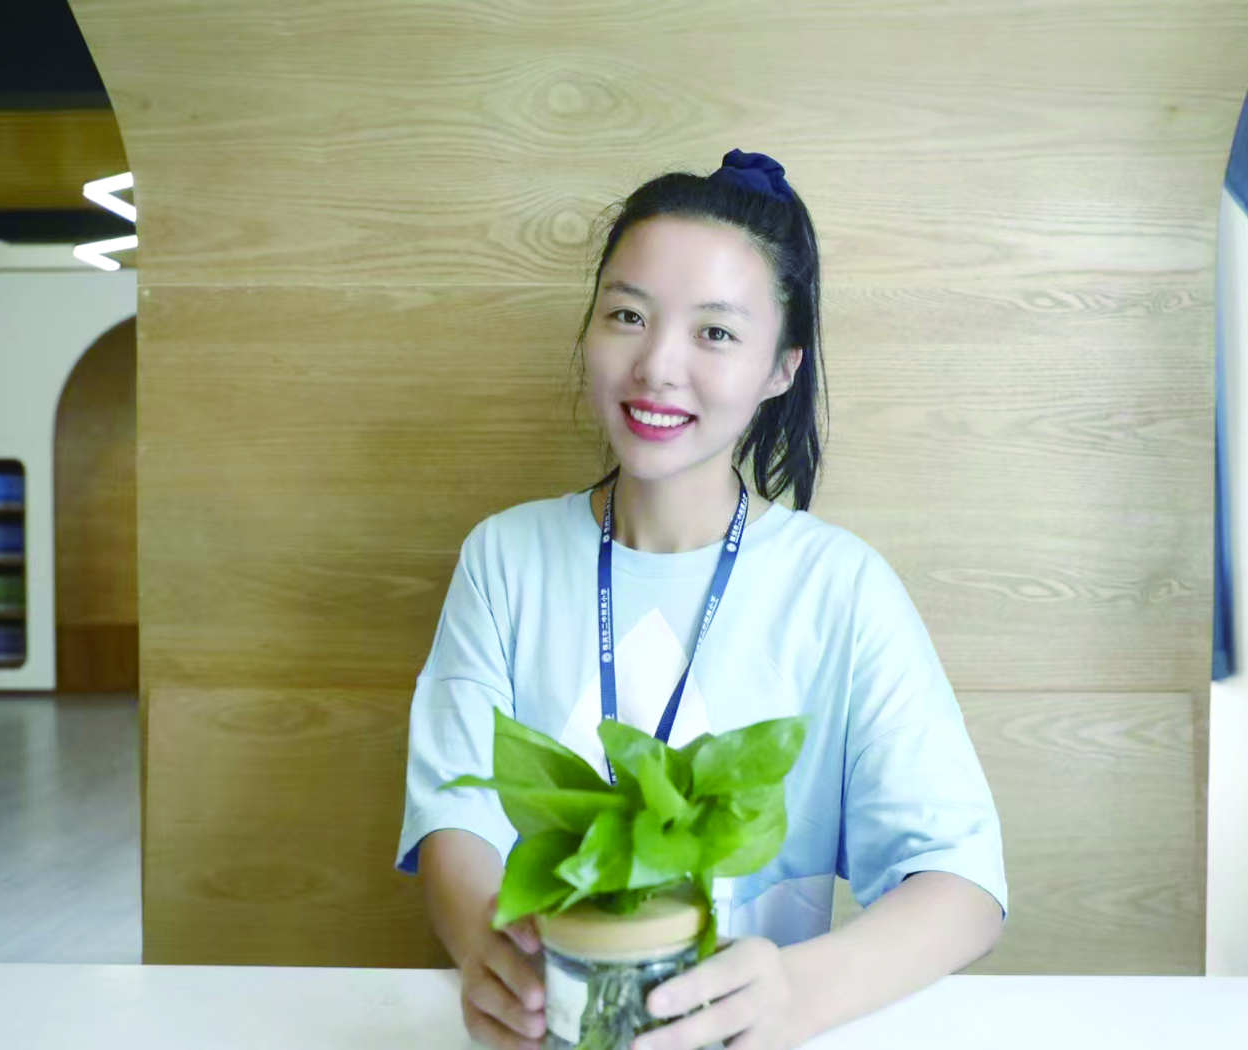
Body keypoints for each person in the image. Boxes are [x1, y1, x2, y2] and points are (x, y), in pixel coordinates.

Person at [396, 149, 1007, 1050]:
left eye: (715, 332)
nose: (657, 366)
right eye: (627, 316)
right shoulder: (504, 558)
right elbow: (456, 814)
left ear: (781, 368)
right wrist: (486, 947)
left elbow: (960, 884)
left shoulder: (838, 586)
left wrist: (796, 993)